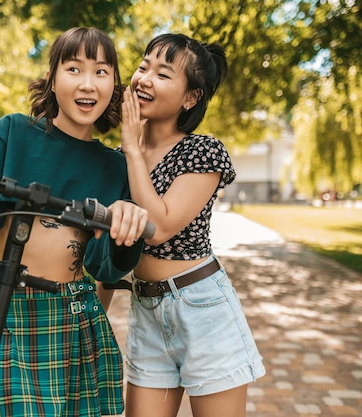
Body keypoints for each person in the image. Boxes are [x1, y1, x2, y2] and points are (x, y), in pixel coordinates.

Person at [0, 27, 149, 417]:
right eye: (74, 68)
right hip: (8, 306)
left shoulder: (115, 167)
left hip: (76, 316)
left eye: (101, 71)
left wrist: (126, 226)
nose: (88, 83)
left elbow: (104, 264)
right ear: (51, 78)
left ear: (114, 84)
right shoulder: (13, 133)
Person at [111, 33, 266, 417]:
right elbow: (106, 252)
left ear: (190, 98)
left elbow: (159, 226)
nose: (144, 79)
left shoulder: (202, 152)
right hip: (145, 308)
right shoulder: (116, 159)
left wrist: (132, 148)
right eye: (143, 67)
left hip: (202, 308)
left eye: (163, 74)